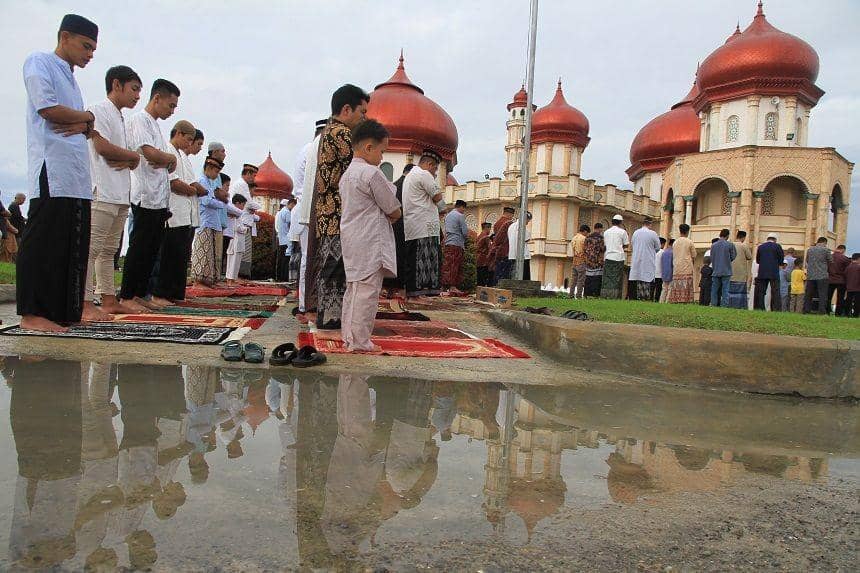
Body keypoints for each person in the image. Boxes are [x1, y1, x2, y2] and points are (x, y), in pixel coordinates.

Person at [18, 14, 100, 332]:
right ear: (65, 37)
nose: (90, 54)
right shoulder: (39, 62)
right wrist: (87, 116)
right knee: (43, 240)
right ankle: (32, 313)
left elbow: (81, 125)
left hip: (76, 176)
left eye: (94, 49)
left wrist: (82, 122)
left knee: (68, 244)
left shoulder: (71, 77)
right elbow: (49, 110)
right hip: (51, 169)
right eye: (86, 46)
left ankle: (60, 312)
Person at [82, 65, 144, 320]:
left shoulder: (120, 118)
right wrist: (130, 156)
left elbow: (132, 160)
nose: (137, 96)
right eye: (134, 89)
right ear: (116, 85)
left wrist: (129, 157)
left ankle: (108, 297)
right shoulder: (99, 110)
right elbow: (103, 148)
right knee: (91, 248)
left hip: (120, 193)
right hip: (103, 189)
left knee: (109, 250)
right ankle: (83, 301)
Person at [338, 119, 402, 352]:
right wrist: (395, 213)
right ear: (368, 148)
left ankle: (350, 337)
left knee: (354, 289)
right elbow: (393, 208)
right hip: (370, 239)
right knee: (367, 291)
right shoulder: (371, 174)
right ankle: (360, 341)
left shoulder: (347, 175)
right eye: (382, 151)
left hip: (353, 238)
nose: (382, 158)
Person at [309, 84, 369, 328]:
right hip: (337, 214)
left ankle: (330, 317)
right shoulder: (342, 134)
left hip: (328, 213)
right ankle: (334, 320)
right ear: (347, 109)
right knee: (337, 269)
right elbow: (357, 172)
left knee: (330, 268)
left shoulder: (328, 132)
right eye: (362, 112)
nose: (364, 118)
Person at [120, 79, 180, 311]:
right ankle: (127, 295)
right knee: (139, 248)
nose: (172, 111)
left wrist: (166, 160)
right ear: (157, 99)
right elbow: (151, 154)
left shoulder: (155, 125)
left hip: (158, 199)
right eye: (170, 105)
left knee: (151, 250)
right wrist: (170, 159)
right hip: (144, 195)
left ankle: (139, 294)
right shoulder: (139, 121)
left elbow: (160, 158)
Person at [151, 119, 203, 304]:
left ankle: (174, 293)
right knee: (169, 256)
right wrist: (192, 190)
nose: (189, 143)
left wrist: (191, 189)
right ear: (178, 133)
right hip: (173, 210)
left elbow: (189, 183)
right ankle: (161, 293)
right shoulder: (168, 150)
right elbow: (174, 182)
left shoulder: (181, 156)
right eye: (189, 139)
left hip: (184, 213)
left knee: (179, 256)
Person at [291, 118, 328, 316]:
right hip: (308, 208)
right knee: (309, 257)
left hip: (305, 208)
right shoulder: (314, 149)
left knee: (309, 257)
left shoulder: (307, 148)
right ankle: (306, 304)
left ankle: (307, 301)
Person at [403, 149, 446, 299]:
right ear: (429, 164)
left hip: (413, 225)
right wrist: (443, 208)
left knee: (414, 260)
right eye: (435, 168)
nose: (435, 172)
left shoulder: (410, 176)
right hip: (425, 226)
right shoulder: (423, 174)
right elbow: (437, 197)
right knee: (425, 261)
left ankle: (414, 293)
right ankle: (421, 294)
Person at [190, 158, 227, 287]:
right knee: (202, 252)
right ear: (209, 169)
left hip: (212, 221)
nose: (217, 175)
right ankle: (198, 280)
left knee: (211, 254)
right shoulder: (202, 181)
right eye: (216, 171)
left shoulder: (210, 183)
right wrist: (221, 203)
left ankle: (208, 280)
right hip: (205, 221)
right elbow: (206, 201)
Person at [226, 197, 258, 284]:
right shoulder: (235, 213)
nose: (243, 207)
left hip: (239, 240)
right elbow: (237, 227)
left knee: (235, 262)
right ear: (237, 203)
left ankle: (232, 279)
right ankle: (230, 280)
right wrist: (246, 229)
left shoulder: (238, 213)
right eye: (243, 204)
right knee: (233, 262)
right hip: (235, 239)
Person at [628, 217, 660, 301]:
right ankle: (645, 297)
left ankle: (634, 297)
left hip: (636, 260)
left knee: (636, 277)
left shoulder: (635, 233)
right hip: (648, 261)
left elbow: (632, 245)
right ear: (650, 224)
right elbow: (658, 247)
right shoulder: (653, 234)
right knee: (646, 278)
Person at [441, 200, 469, 293]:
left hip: (448, 242)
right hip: (457, 243)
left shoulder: (448, 215)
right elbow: (465, 232)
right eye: (464, 209)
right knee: (455, 265)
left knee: (447, 265)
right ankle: (453, 287)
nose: (464, 211)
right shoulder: (460, 216)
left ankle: (444, 286)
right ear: (461, 207)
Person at [600, 214, 629, 299]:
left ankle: (605, 295)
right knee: (617, 278)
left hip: (608, 257)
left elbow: (605, 245)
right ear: (620, 222)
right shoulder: (622, 232)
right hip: (618, 257)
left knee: (607, 278)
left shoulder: (606, 232)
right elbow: (626, 244)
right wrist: (620, 247)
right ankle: (616, 296)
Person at [753, 232, 784, 311]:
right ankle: (775, 308)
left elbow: (758, 260)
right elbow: (781, 260)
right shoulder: (777, 246)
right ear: (775, 240)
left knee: (761, 292)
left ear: (767, 239)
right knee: (775, 291)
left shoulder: (761, 247)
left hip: (762, 272)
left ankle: (760, 307)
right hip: (774, 272)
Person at [803, 236, 832, 314]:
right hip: (822, 276)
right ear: (825, 242)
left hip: (811, 275)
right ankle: (821, 311)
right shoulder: (826, 250)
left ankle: (806, 310)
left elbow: (807, 261)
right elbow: (831, 261)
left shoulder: (810, 250)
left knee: (809, 294)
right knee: (822, 295)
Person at [668, 224, 696, 303]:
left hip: (677, 267)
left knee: (677, 284)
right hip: (686, 267)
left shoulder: (675, 242)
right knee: (686, 285)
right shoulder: (689, 242)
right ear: (687, 232)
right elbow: (694, 255)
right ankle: (685, 300)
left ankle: (676, 299)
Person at [709, 228, 736, 307]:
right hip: (726, 270)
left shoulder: (713, 245)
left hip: (716, 270)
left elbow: (712, 257)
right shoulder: (730, 245)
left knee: (714, 289)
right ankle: (724, 305)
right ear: (727, 236)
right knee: (725, 289)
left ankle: (713, 304)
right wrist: (727, 260)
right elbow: (733, 256)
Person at [490, 206, 516, 284]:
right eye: (512, 215)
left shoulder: (496, 223)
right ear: (510, 214)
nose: (512, 217)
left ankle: (495, 287)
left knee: (498, 271)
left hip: (498, 250)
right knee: (505, 273)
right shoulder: (509, 223)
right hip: (507, 251)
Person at [728, 230, 752, 309]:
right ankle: (740, 307)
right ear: (744, 237)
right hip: (741, 273)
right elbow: (749, 257)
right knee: (740, 292)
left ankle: (730, 305)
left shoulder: (730, 245)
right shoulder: (743, 246)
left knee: (730, 292)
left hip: (731, 272)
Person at [507, 211, 533, 280]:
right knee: (524, 278)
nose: (527, 223)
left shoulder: (511, 226)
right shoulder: (522, 227)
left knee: (513, 276)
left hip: (512, 255)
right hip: (523, 256)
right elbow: (527, 238)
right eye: (528, 220)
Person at [828, 245, 851, 316]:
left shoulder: (829, 257)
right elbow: (847, 271)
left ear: (837, 249)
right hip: (841, 281)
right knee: (840, 298)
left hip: (830, 279)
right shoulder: (845, 259)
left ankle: (827, 311)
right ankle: (838, 313)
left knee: (828, 297)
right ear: (843, 250)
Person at [583, 223, 605, 298]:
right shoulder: (600, 238)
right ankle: (595, 294)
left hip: (588, 261)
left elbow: (584, 249)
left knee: (588, 278)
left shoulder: (588, 237)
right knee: (597, 278)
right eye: (601, 229)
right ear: (599, 228)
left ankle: (586, 294)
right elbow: (602, 249)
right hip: (597, 262)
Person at [275, 198, 293, 282]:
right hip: (286, 239)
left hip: (281, 238)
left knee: (281, 259)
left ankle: (279, 277)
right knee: (286, 260)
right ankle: (284, 278)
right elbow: (290, 224)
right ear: (291, 204)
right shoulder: (287, 212)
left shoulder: (280, 212)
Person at [569, 224, 589, 299]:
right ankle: (579, 295)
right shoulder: (584, 239)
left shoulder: (574, 238)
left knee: (573, 279)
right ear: (585, 231)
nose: (587, 235)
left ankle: (571, 295)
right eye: (587, 233)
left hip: (574, 260)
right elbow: (586, 250)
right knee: (581, 280)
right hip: (582, 261)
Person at [475, 222, 493, 287]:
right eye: (489, 229)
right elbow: (490, 248)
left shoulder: (479, 236)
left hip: (478, 259)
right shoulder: (486, 237)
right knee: (483, 280)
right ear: (486, 228)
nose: (490, 231)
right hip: (484, 261)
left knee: (479, 279)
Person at [845, 253, 860, 318]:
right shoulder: (859, 267)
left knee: (848, 301)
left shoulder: (848, 267)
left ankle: (847, 314)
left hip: (849, 287)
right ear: (858, 259)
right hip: (858, 287)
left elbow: (845, 275)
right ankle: (855, 315)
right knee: (857, 302)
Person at [653, 237, 666, 302]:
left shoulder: (652, 251)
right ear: (662, 244)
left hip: (652, 274)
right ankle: (657, 300)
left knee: (652, 288)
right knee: (658, 289)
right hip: (660, 274)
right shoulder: (663, 252)